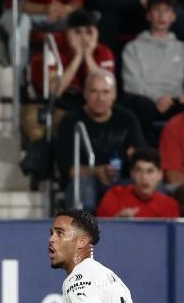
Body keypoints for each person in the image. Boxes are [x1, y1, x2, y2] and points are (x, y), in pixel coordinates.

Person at [120, 0, 184, 143]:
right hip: (146, 103)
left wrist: (175, 99)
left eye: (166, 11)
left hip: (176, 102)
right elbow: (132, 84)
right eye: (156, 10)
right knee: (139, 105)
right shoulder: (132, 48)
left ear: (173, 17)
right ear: (148, 15)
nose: (161, 16)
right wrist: (158, 98)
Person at [56, 71, 145, 211]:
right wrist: (97, 171)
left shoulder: (127, 118)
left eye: (105, 92)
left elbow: (141, 157)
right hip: (87, 180)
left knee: (153, 185)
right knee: (83, 190)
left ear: (114, 95)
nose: (100, 98)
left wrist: (133, 160)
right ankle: (85, 231)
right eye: (94, 92)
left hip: (122, 180)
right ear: (85, 94)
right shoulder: (71, 121)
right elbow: (69, 170)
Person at [24, 9, 115, 142]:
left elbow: (104, 89)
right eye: (78, 32)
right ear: (68, 33)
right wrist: (77, 58)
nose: (84, 38)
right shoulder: (54, 49)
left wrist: (88, 57)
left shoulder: (104, 52)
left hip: (90, 102)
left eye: (89, 32)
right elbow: (54, 91)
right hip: (61, 101)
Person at [96, 148, 180, 219]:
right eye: (139, 170)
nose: (144, 177)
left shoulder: (170, 206)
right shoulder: (114, 196)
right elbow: (99, 234)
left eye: (150, 171)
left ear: (160, 175)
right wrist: (117, 221)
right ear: (132, 173)